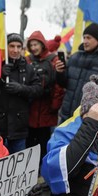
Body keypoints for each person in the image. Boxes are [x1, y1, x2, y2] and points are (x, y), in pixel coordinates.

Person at [0, 33, 43, 154]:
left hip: (19, 128)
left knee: (18, 167)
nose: (15, 50)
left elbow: (38, 90)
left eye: (19, 46)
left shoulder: (28, 68)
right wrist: (0, 77)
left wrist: (21, 89)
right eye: (12, 46)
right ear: (6, 47)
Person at [57, 23, 98, 123]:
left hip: (89, 119)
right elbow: (64, 84)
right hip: (67, 116)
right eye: (84, 37)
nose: (85, 41)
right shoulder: (75, 57)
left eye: (89, 38)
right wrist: (60, 72)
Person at [25, 30, 65, 160]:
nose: (34, 48)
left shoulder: (53, 60)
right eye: (31, 45)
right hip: (30, 108)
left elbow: (59, 86)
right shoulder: (27, 60)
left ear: (42, 44)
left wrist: (55, 105)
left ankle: (42, 169)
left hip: (47, 109)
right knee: (30, 142)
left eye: (36, 44)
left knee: (44, 142)